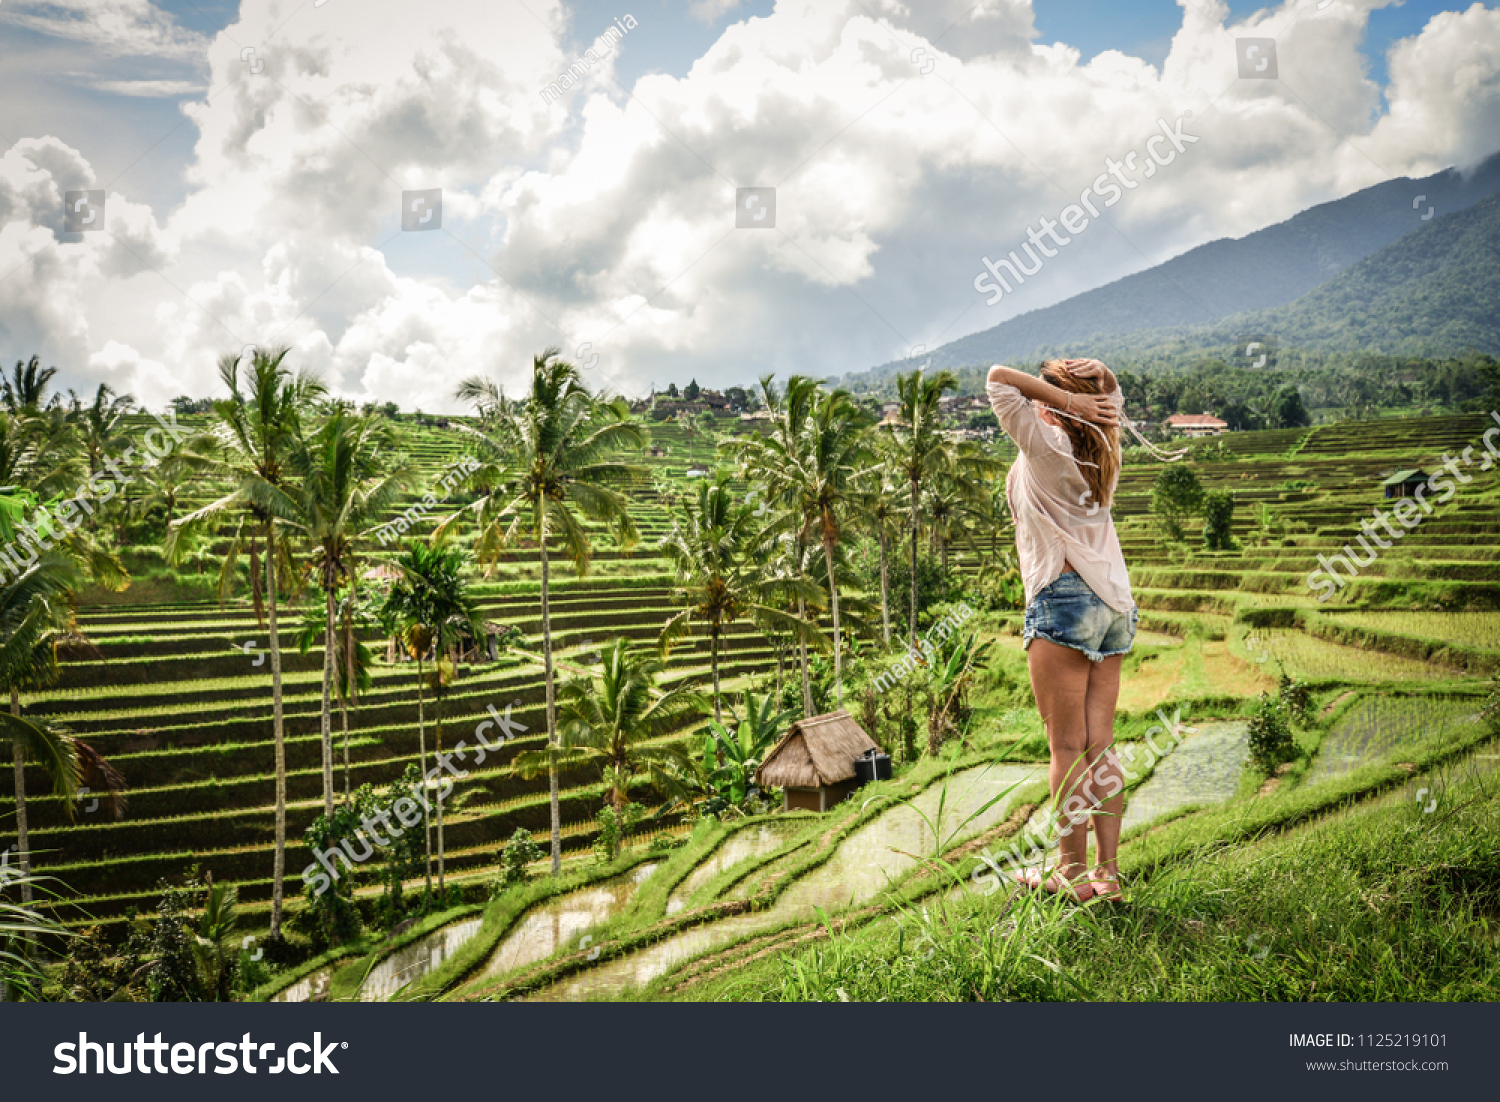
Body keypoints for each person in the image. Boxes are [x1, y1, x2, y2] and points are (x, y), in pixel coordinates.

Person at [985, 357, 1136, 902]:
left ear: (1056, 401)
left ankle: (1071, 874)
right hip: (1113, 604)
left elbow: (998, 378)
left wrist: (1070, 398)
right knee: (1099, 746)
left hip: (1065, 598)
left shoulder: (1047, 445)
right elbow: (1112, 405)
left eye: (1048, 388)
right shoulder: (1103, 446)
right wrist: (1103, 381)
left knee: (1067, 747)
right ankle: (1107, 876)